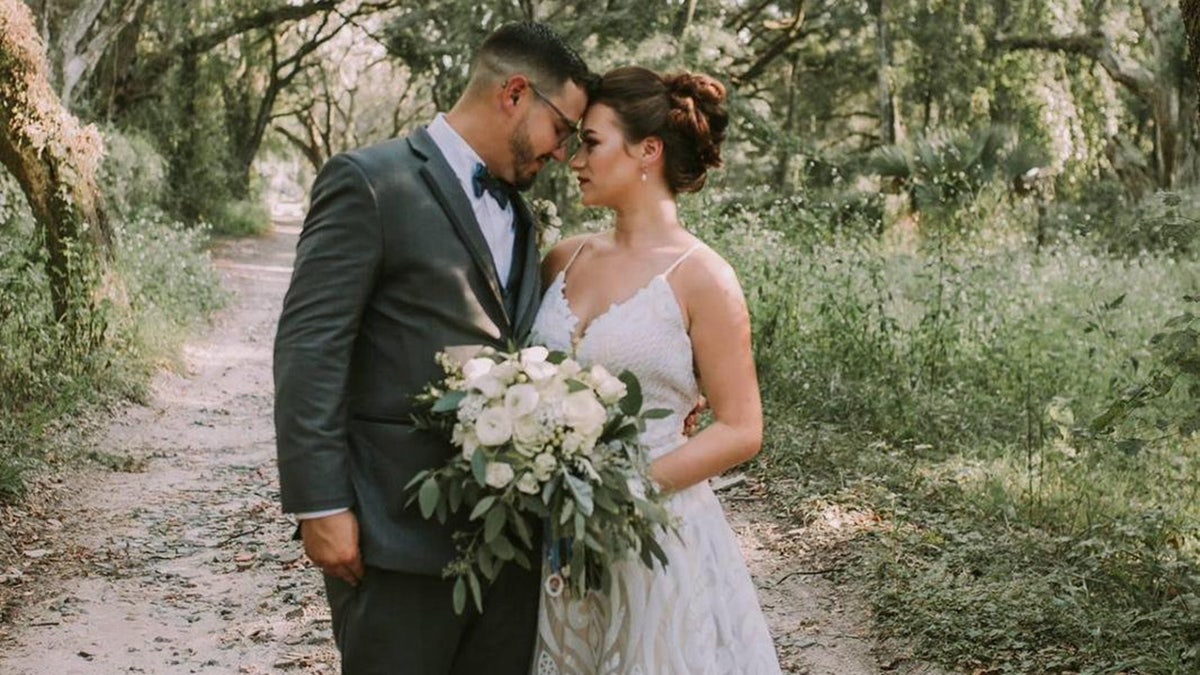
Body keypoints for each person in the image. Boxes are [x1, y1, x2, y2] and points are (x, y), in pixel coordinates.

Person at [273, 22, 594, 675]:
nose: (563, 153)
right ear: (514, 94)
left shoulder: (524, 215)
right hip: (394, 537)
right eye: (562, 128)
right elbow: (311, 346)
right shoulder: (368, 181)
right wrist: (320, 504)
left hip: (510, 545)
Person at [529, 66, 783, 674]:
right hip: (558, 541)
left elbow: (742, 427)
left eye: (591, 142)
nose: (574, 159)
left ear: (648, 150)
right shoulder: (563, 259)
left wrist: (624, 492)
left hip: (655, 535)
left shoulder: (704, 278)